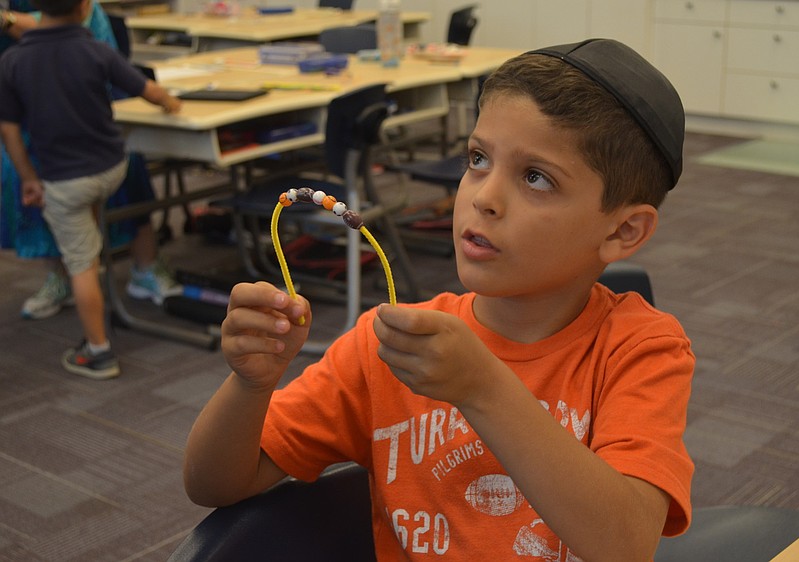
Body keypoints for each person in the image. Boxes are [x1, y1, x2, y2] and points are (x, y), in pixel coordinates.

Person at [183, 38, 694, 561]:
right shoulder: (388, 349)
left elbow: (626, 544)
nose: (483, 197)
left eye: (536, 178)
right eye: (478, 159)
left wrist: (484, 388)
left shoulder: (641, 350)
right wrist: (250, 386)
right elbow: (214, 485)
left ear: (624, 230)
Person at [0, 0, 181, 379]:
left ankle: (98, 351)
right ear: (86, 7)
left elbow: (10, 131)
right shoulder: (96, 49)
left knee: (81, 265)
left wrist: (29, 178)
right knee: (89, 233)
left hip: (64, 182)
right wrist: (170, 102)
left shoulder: (13, 62)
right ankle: (101, 271)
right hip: (110, 170)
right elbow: (146, 88)